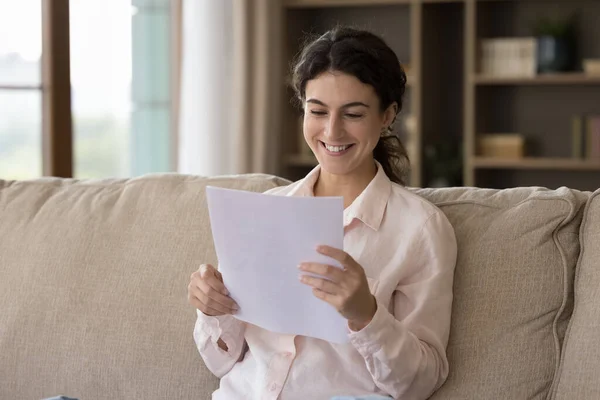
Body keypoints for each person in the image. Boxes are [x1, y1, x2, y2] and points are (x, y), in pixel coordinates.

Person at [187, 27, 458, 400]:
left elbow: (421, 381)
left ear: (387, 115)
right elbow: (220, 363)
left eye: (353, 114)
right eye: (317, 111)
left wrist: (365, 314)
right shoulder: (267, 209)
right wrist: (214, 308)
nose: (332, 131)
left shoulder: (418, 228)